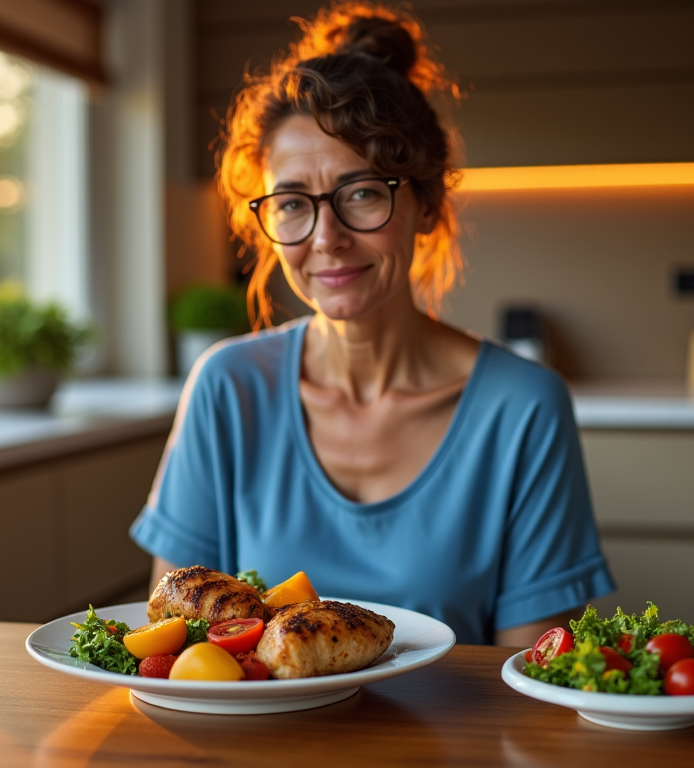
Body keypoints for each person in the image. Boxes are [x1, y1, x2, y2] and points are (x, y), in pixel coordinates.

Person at [130, 1, 614, 646]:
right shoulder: (227, 387)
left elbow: (529, 679)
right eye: (294, 203)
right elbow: (180, 643)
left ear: (425, 204)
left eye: (361, 193)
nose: (326, 238)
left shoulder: (523, 408)